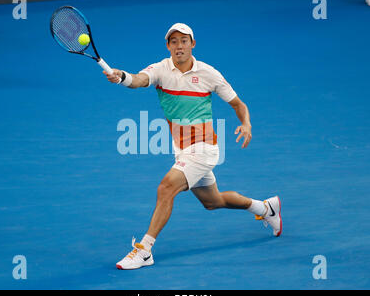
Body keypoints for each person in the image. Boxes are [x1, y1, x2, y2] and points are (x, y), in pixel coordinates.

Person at [105, 23, 282, 270]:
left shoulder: (209, 73)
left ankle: (144, 250)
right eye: (174, 41)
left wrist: (246, 124)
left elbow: (239, 104)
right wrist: (121, 76)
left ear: (193, 44)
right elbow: (138, 80)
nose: (179, 46)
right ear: (168, 46)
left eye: (184, 41)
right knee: (213, 201)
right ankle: (265, 207)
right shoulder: (160, 69)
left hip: (204, 147)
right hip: (182, 149)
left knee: (166, 187)